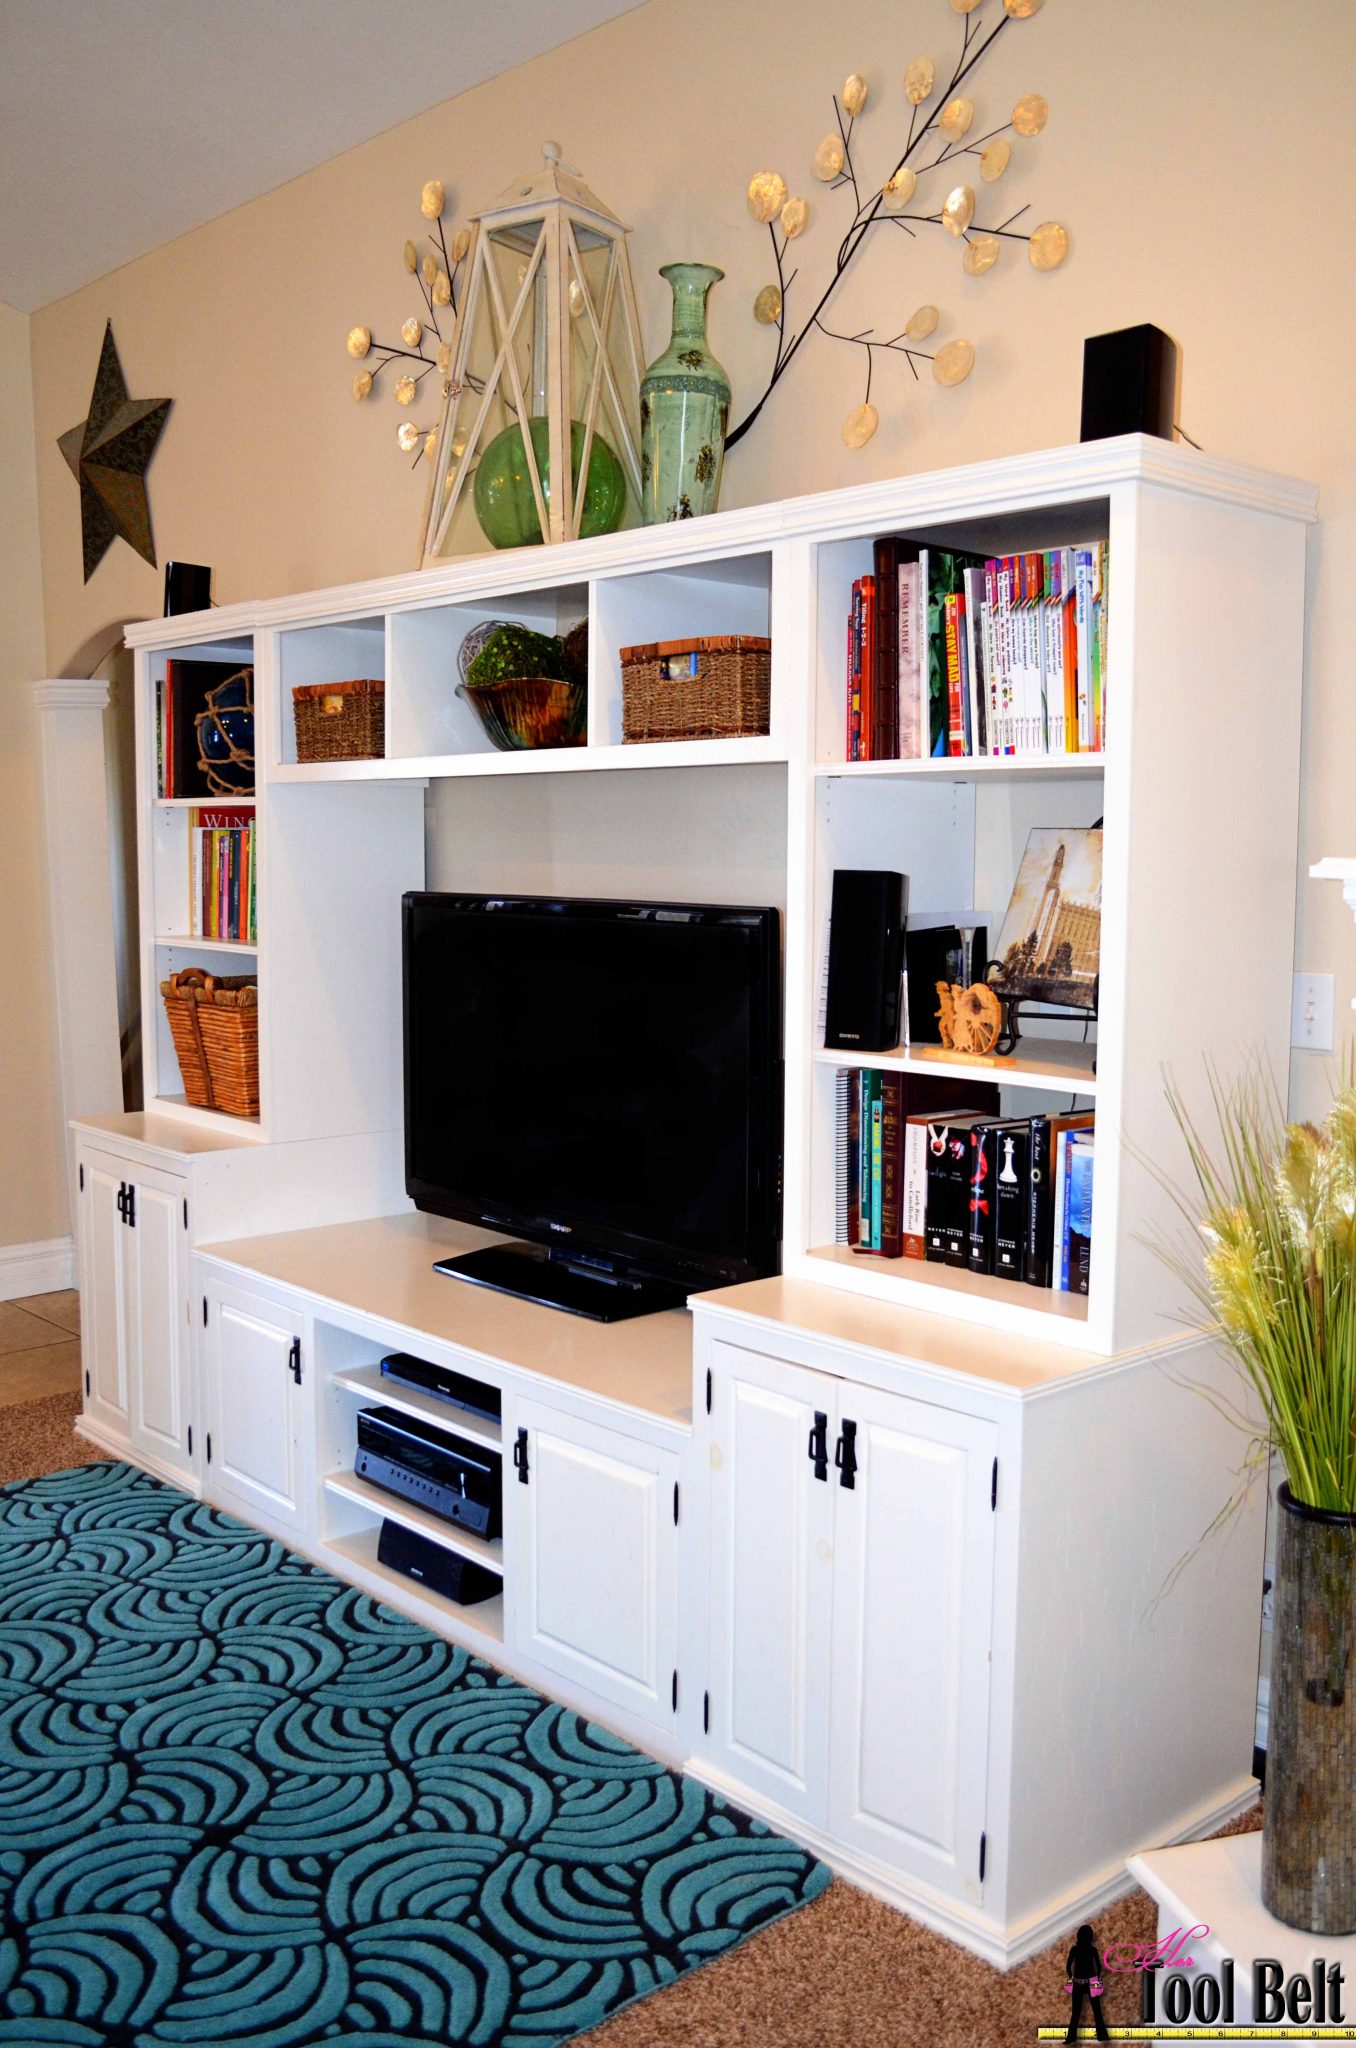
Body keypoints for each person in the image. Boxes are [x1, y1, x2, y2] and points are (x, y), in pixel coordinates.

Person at [1064, 1922, 1111, 2042]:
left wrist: (1071, 1977)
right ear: (1090, 1937)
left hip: (1079, 1983)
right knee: (1096, 2011)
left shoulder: (1075, 1949)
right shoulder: (1092, 1950)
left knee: (1076, 2012)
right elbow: (1099, 1967)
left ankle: (1071, 2037)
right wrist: (1097, 1979)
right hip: (1091, 1982)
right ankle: (1102, 2035)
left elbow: (1068, 1966)